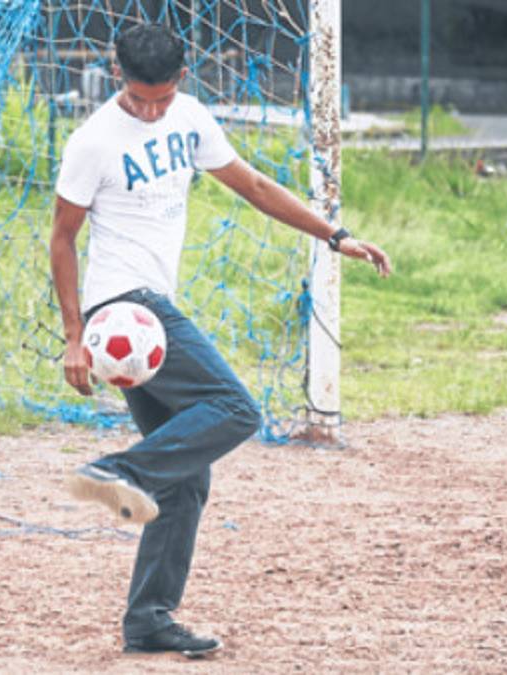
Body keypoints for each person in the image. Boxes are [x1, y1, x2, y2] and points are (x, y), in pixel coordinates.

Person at [48, 23, 392, 659]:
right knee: (236, 409)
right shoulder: (91, 141)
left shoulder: (192, 118)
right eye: (137, 97)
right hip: (124, 313)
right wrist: (75, 336)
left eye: (161, 97)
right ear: (117, 75)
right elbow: (62, 239)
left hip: (151, 313)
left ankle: (148, 619)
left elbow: (256, 187)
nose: (149, 110)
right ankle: (115, 473)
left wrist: (334, 235)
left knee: (187, 478)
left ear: (182, 80)